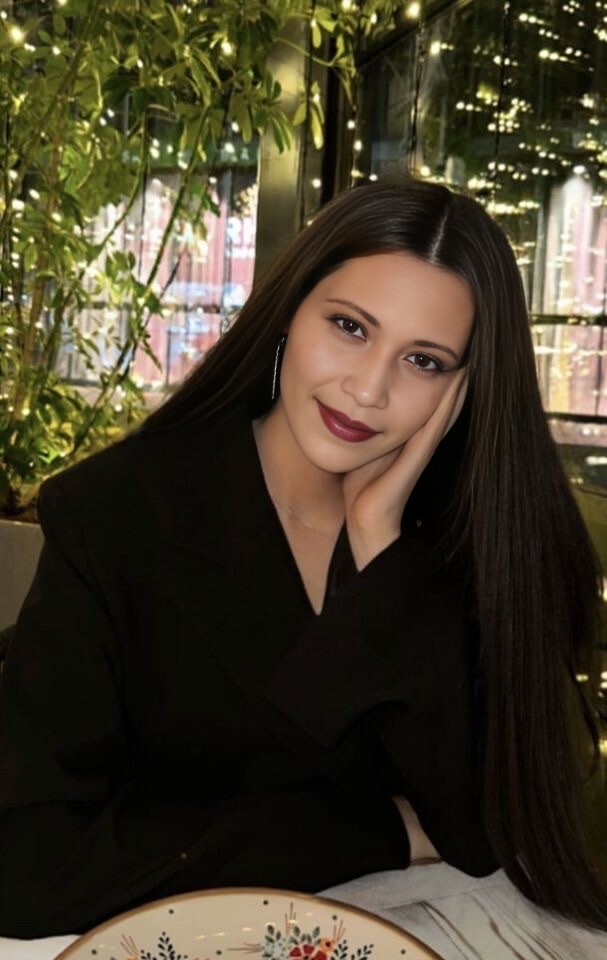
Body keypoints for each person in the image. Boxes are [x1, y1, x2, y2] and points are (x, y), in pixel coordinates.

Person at [0, 178, 606, 938]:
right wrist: (374, 829)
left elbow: (485, 826)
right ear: (289, 309)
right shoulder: (117, 512)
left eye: (423, 361)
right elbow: (27, 864)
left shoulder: (474, 539)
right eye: (349, 327)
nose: (367, 389)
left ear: (464, 387)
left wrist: (380, 549)